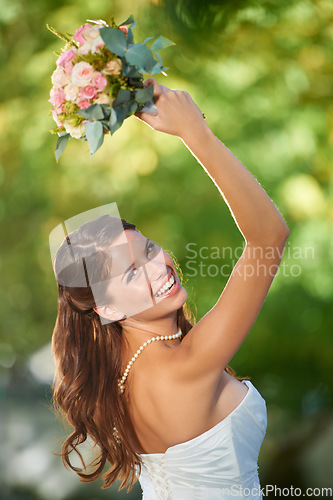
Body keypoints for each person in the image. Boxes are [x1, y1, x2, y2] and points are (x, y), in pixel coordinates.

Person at [51, 78, 290, 500]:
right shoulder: (184, 367)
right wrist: (195, 133)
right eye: (130, 274)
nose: (158, 267)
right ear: (105, 310)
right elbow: (269, 238)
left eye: (149, 249)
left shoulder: (117, 375)